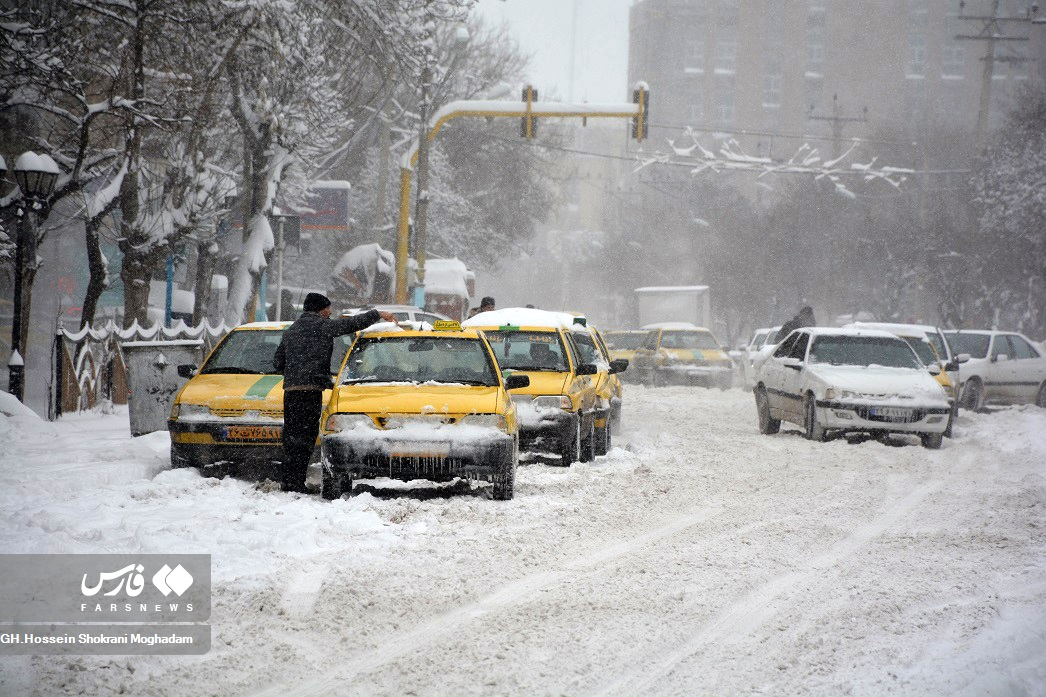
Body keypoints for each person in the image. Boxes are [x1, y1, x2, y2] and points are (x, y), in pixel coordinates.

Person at [273, 293, 395, 494]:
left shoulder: (291, 330)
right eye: (328, 308)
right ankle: (296, 484)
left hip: (291, 392)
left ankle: (288, 482)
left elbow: (278, 362)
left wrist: (296, 372)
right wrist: (378, 314)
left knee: (292, 437)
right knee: (305, 438)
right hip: (310, 391)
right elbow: (351, 324)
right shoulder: (321, 326)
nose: (330, 312)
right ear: (320, 309)